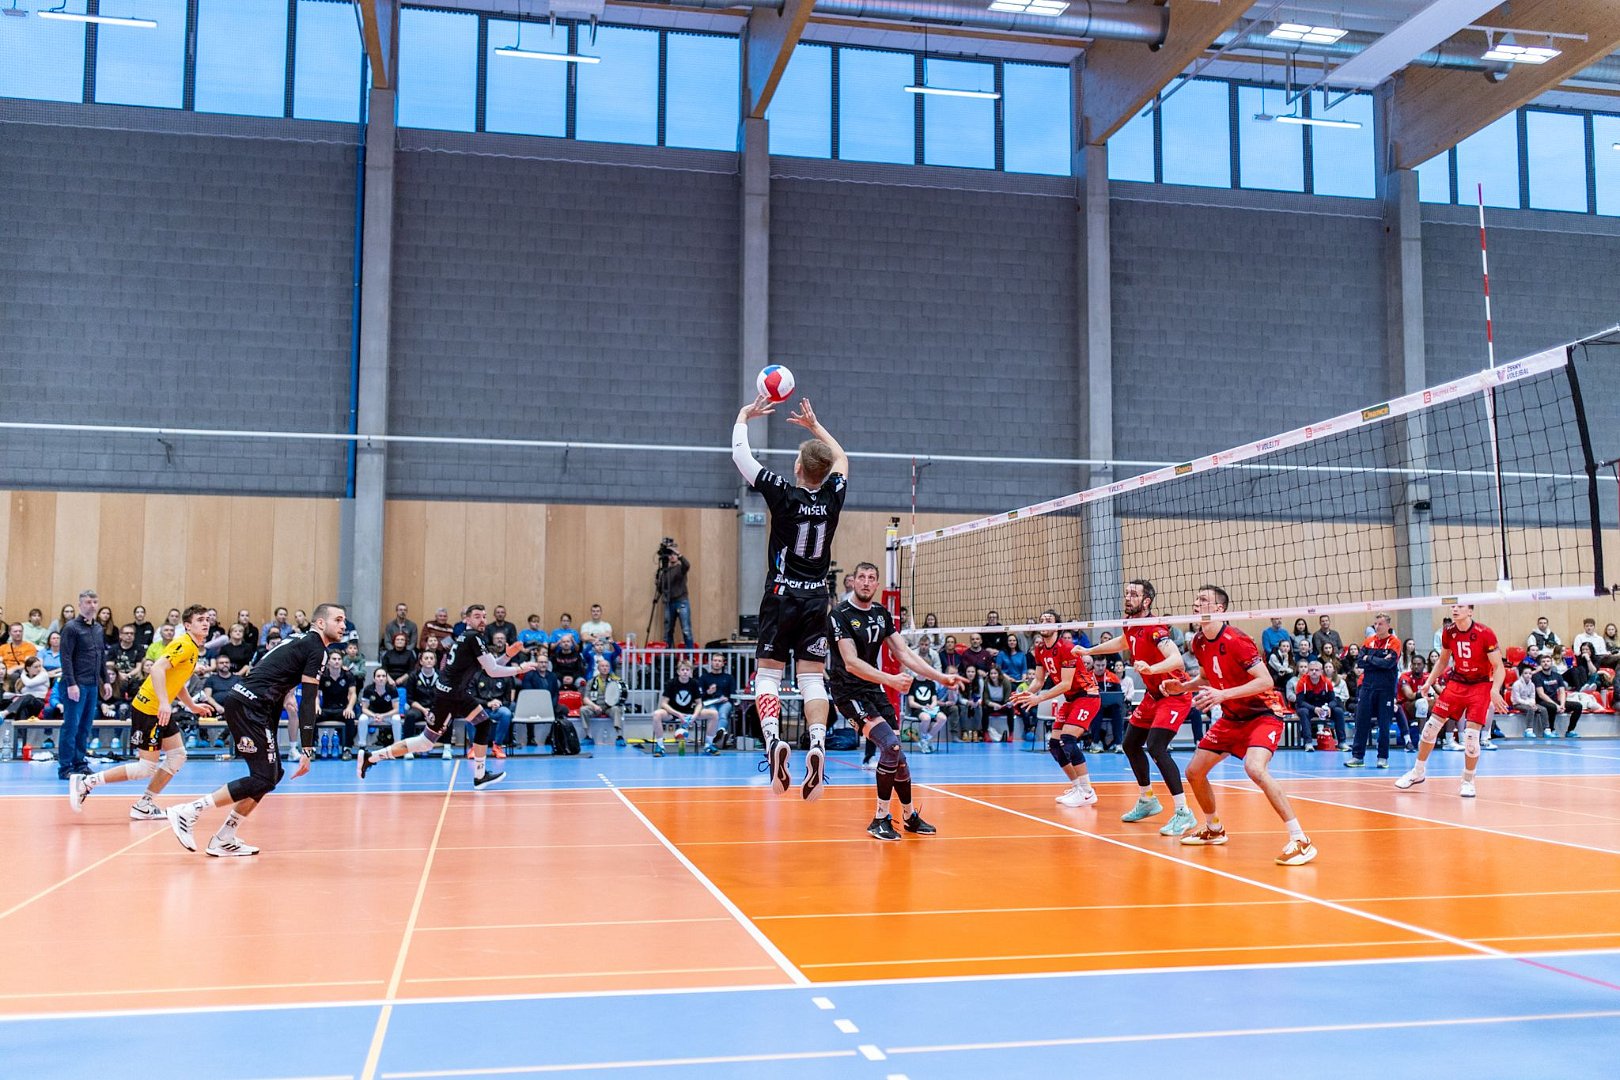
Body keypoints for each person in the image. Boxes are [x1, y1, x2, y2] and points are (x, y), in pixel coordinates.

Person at [732, 392, 848, 801]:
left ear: (798, 467)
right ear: (825, 472)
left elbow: (741, 456)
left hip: (781, 595)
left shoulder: (782, 492)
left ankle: (772, 742)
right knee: (812, 678)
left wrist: (744, 415)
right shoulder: (833, 496)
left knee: (768, 676)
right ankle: (816, 744)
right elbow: (842, 458)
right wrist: (816, 427)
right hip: (817, 598)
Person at [165, 604, 348, 857]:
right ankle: (189, 811)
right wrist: (307, 748)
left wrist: (277, 708)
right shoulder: (317, 648)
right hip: (250, 706)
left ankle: (224, 837)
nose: (343, 625)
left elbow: (272, 672)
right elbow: (308, 700)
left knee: (271, 775)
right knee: (263, 777)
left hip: (252, 705)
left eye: (344, 621)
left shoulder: (298, 639)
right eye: (338, 620)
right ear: (320, 623)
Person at [1172, 584, 1317, 866]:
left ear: (1219, 609)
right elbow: (1207, 678)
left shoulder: (1237, 640)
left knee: (1254, 768)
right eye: (1196, 598)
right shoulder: (1198, 642)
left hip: (1263, 714)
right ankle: (1214, 829)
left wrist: (1222, 695)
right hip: (1232, 717)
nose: (1195, 603)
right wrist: (1184, 687)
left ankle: (1301, 840)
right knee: (1194, 772)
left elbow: (1265, 681)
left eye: (1203, 599)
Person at [827, 561, 958, 840]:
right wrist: (890, 680)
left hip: (873, 689)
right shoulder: (840, 615)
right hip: (848, 692)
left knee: (897, 756)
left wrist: (941, 677)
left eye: (871, 578)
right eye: (861, 577)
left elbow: (904, 653)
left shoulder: (880, 614)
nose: (866, 582)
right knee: (891, 745)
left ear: (877, 584)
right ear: (853, 581)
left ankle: (909, 817)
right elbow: (851, 662)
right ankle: (880, 819)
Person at [358, 605, 536, 788]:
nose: (482, 620)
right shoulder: (473, 637)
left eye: (484, 616)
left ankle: (480, 775)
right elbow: (492, 670)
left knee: (483, 723)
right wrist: (519, 669)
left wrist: (507, 655)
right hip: (451, 695)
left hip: (456, 693)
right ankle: (372, 757)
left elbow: (490, 666)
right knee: (426, 743)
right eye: (477, 616)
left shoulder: (468, 637)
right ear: (467, 619)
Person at [71, 606, 216, 819]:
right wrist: (164, 703)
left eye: (207, 619)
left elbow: (176, 681)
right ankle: (87, 782)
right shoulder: (184, 644)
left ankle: (144, 804)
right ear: (187, 625)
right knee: (145, 767)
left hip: (160, 710)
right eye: (200, 619)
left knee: (177, 756)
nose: (205, 623)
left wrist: (192, 706)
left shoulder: (193, 648)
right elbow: (156, 669)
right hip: (149, 709)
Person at [1080, 580, 1195, 836]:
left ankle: (1184, 812)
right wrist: (1089, 650)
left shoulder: (1155, 628)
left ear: (1146, 601)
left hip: (1174, 694)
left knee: (1156, 747)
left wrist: (1152, 669)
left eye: (1133, 594)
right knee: (1131, 744)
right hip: (1154, 696)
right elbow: (1123, 642)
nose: (1127, 597)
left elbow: (1176, 659)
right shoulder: (1131, 624)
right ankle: (1147, 800)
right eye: (1126, 593)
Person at [1396, 604, 1505, 799]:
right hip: (1457, 683)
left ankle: (1468, 781)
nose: (1455, 609)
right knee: (1430, 729)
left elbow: (1498, 666)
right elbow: (1443, 661)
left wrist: (1495, 690)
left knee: (1471, 737)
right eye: (1453, 606)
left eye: (1460, 606)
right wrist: (1428, 682)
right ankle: (1418, 771)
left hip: (1480, 686)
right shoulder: (1449, 632)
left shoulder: (1485, 633)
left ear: (1470, 611)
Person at [1012, 609, 1101, 808]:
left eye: (1048, 620)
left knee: (1067, 739)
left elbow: (1066, 684)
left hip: (1087, 696)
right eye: (1041, 620)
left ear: (1057, 626)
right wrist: (1025, 692)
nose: (1044, 622)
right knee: (1054, 744)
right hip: (1071, 699)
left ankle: (1087, 792)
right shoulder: (1039, 649)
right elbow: (1038, 680)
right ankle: (1077, 787)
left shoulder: (1067, 648)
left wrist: (1039, 698)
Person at [56, 590, 107, 780]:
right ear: (80, 605)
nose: (92, 605)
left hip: (92, 685)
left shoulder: (98, 628)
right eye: (88, 602)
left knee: (85, 726)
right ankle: (65, 767)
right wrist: (71, 683)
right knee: (71, 726)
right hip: (75, 685)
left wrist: (106, 681)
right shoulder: (71, 628)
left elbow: (101, 656)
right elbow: (66, 657)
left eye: (95, 602)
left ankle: (80, 763)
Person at [1347, 613, 1401, 768]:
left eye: (1380, 624)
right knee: (1361, 722)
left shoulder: (1394, 642)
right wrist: (1378, 660)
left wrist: (1369, 659)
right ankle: (1357, 757)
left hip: (1386, 689)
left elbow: (1389, 664)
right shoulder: (1369, 641)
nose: (1377, 627)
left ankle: (1382, 757)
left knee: (1384, 724)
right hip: (1367, 687)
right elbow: (1360, 662)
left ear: (1388, 626)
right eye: (1375, 624)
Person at [649, 660, 717, 756]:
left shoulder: (694, 683)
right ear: (678, 672)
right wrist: (678, 714)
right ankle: (660, 746)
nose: (685, 672)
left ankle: (708, 745)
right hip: (672, 712)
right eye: (683, 670)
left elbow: (699, 703)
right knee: (656, 714)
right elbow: (664, 704)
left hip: (689, 712)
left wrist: (694, 716)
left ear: (691, 672)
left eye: (687, 670)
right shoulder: (671, 683)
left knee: (714, 714)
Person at [1293, 659, 1347, 750]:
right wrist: (1314, 708)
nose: (1314, 672)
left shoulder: (1327, 682)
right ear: (1308, 671)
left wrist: (1329, 707)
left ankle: (1342, 742)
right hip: (1308, 708)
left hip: (1323, 708)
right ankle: (1308, 743)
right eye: (1311, 670)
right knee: (1303, 712)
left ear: (1321, 671)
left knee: (1338, 711)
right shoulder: (1302, 682)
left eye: (1316, 670)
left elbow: (1334, 700)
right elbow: (1300, 702)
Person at [1530, 651, 1582, 738]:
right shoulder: (1536, 676)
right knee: (1552, 707)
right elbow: (1541, 694)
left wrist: (1562, 705)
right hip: (1541, 702)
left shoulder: (1557, 676)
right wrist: (1556, 705)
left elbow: (1562, 691)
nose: (1546, 663)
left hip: (1555, 701)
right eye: (1543, 661)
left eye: (1548, 661)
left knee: (1578, 706)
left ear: (1551, 663)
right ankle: (1551, 730)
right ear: (1540, 664)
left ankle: (1570, 730)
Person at [316, 651, 359, 757]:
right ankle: (311, 749)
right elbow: (315, 695)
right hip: (326, 709)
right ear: (328, 662)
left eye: (339, 659)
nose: (337, 661)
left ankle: (347, 749)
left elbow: (353, 694)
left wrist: (349, 708)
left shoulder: (348, 675)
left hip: (342, 709)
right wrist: (316, 706)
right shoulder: (322, 676)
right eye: (334, 659)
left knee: (350, 716)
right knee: (312, 716)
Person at [579, 656, 626, 747]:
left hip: (610, 707)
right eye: (602, 666)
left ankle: (619, 737)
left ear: (609, 668)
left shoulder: (616, 681)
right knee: (583, 710)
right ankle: (588, 736)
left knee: (616, 709)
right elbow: (585, 699)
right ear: (598, 668)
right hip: (596, 707)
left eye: (607, 666)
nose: (605, 668)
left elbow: (623, 696)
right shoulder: (591, 681)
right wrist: (594, 706)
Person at [656, 540, 694, 648]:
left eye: (674, 554)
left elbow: (687, 565)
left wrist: (679, 554)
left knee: (686, 630)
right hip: (669, 603)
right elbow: (660, 590)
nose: (672, 556)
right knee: (668, 631)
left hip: (681, 601)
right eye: (670, 554)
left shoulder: (680, 568)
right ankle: (669, 654)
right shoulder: (665, 572)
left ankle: (690, 655)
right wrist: (658, 581)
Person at [697, 652, 738, 749]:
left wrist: (727, 698)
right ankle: (719, 734)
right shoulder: (704, 677)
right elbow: (699, 696)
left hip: (724, 702)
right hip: (709, 702)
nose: (717, 663)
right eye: (715, 660)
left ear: (723, 663)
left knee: (723, 713)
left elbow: (733, 694)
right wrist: (708, 692)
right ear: (711, 662)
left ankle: (720, 731)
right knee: (714, 713)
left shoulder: (729, 678)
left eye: (719, 661)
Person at [361, 667, 403, 748]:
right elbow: (364, 709)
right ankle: (362, 745)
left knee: (397, 719)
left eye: (383, 676)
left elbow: (396, 709)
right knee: (362, 719)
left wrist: (383, 716)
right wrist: (374, 715)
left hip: (388, 715)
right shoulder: (368, 690)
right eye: (378, 676)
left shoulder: (392, 689)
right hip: (373, 715)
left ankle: (397, 745)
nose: (381, 678)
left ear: (386, 678)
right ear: (374, 679)